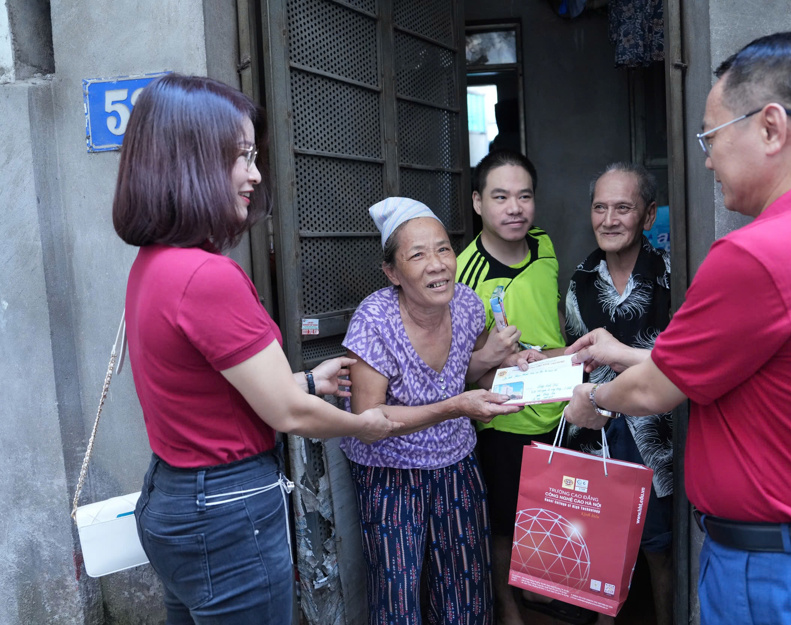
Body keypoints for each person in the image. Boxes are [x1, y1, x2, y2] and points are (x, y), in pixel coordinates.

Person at [564, 31, 791, 624]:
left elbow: (652, 393)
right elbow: (726, 362)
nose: (706, 159)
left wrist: (592, 399)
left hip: (783, 575)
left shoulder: (758, 255)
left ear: (770, 128)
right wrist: (624, 352)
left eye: (712, 136)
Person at [113, 74, 398, 624]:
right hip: (226, 509)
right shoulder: (206, 275)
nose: (255, 173)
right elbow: (286, 413)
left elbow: (212, 394)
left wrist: (310, 382)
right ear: (192, 160)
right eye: (241, 156)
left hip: (172, 498)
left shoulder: (154, 263)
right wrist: (365, 425)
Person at [342, 197, 536, 625]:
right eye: (418, 254)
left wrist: (512, 366)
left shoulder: (467, 305)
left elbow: (473, 374)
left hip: (455, 461)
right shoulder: (374, 321)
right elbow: (368, 420)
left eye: (443, 248)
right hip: (388, 470)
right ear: (391, 272)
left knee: (466, 583)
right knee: (398, 588)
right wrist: (457, 406)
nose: (437, 264)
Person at [456, 151, 585, 625]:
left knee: (554, 514)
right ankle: (508, 608)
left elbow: (552, 318)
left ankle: (543, 592)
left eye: (524, 196)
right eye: (501, 197)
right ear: (477, 202)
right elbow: (461, 370)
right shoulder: (463, 274)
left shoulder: (544, 245)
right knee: (505, 523)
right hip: (506, 420)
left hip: (562, 410)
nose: (515, 208)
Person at [564, 162, 673, 625]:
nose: (609, 219)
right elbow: (576, 356)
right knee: (600, 551)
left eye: (623, 208)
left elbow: (683, 364)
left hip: (655, 437)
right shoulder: (580, 280)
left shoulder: (674, 274)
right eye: (600, 207)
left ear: (648, 217)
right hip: (598, 435)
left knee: (659, 551)